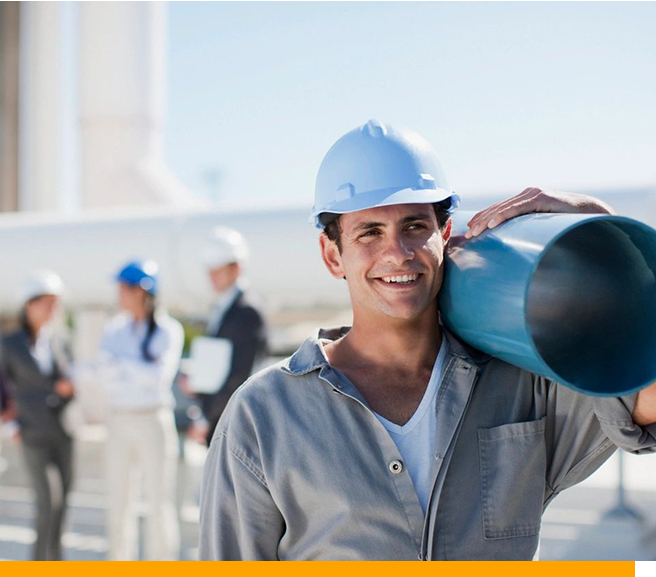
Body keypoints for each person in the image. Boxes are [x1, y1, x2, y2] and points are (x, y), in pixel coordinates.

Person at [198, 120, 656, 561]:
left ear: (446, 234)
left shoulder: (526, 387)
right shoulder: (264, 416)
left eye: (415, 226)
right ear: (332, 254)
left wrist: (603, 224)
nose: (397, 252)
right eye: (370, 233)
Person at [98, 260, 184, 561]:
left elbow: (159, 378)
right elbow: (105, 375)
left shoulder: (168, 329)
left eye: (125, 288)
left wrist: (123, 367)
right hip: (120, 419)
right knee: (119, 501)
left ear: (142, 292)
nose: (120, 294)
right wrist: (138, 369)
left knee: (159, 501)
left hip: (152, 419)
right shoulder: (114, 329)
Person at [0, 271, 75, 561]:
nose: (53, 310)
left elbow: (72, 376)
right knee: (48, 500)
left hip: (64, 430)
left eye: (56, 303)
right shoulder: (10, 344)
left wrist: (69, 387)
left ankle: (56, 560)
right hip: (31, 432)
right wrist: (7, 424)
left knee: (63, 502)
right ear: (29, 305)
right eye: (47, 303)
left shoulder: (60, 339)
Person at [189, 227, 268, 445]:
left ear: (236, 268)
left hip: (234, 424)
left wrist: (205, 418)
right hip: (224, 420)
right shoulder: (225, 308)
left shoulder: (246, 311)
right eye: (210, 271)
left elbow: (239, 375)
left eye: (218, 270)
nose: (211, 277)